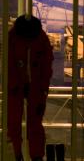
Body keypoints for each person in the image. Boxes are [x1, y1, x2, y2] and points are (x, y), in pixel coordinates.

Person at [6, 14, 54, 161]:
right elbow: (8, 63)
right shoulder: (13, 37)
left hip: (35, 86)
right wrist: (13, 84)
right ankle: (17, 153)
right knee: (14, 122)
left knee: (35, 124)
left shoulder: (40, 38)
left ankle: (36, 156)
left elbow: (47, 65)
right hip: (17, 85)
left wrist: (44, 88)